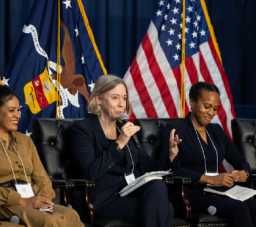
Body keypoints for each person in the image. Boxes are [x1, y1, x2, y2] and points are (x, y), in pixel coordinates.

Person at [69, 75, 181, 227]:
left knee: (157, 186)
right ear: (99, 99)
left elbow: (147, 167)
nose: (122, 104)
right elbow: (90, 173)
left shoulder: (124, 129)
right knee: (166, 208)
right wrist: (119, 143)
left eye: (124, 98)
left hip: (127, 192)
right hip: (99, 199)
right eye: (115, 98)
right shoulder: (82, 130)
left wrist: (170, 156)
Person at [160, 82, 256, 227]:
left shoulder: (216, 130)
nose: (211, 113)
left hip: (221, 191)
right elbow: (168, 169)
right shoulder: (174, 129)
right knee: (239, 208)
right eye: (207, 107)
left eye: (215, 108)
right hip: (191, 193)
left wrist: (244, 172)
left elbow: (240, 161)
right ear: (192, 102)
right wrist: (210, 180)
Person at [0, 86, 84, 227]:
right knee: (50, 221)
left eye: (18, 110)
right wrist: (23, 201)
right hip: (6, 203)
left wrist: (42, 200)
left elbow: (41, 178)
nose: (18, 115)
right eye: (11, 111)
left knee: (71, 215)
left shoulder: (25, 141)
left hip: (32, 198)